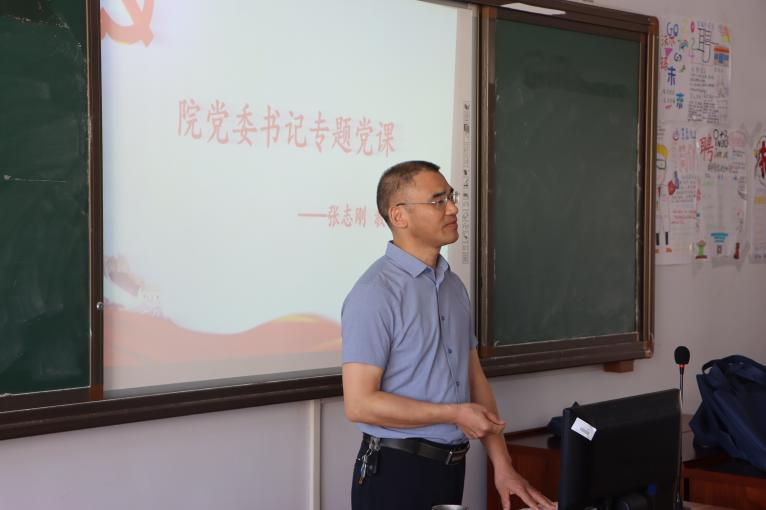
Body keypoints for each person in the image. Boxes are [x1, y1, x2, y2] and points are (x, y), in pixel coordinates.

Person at [342, 160, 555, 510]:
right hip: (396, 471)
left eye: (451, 197)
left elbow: (474, 378)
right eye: (438, 201)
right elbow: (359, 403)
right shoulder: (375, 293)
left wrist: (502, 465)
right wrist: (454, 414)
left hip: (451, 468)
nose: (453, 208)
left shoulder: (453, 286)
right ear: (399, 216)